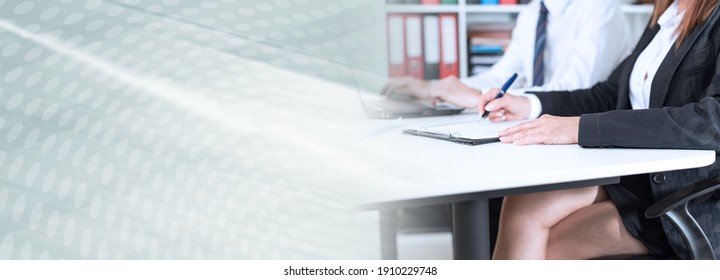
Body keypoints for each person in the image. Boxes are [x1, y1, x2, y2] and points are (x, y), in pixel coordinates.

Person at [477, 0, 720, 259]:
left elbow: (712, 120)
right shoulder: (668, 15)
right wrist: (529, 104)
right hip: (637, 174)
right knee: (521, 206)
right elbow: (610, 94)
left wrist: (580, 128)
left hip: (686, 192)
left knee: (546, 246)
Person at [382, 0, 631, 110]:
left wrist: (478, 97)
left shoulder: (600, 7)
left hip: (580, 129)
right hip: (540, 121)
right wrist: (435, 87)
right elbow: (503, 75)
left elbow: (576, 91)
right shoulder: (533, 12)